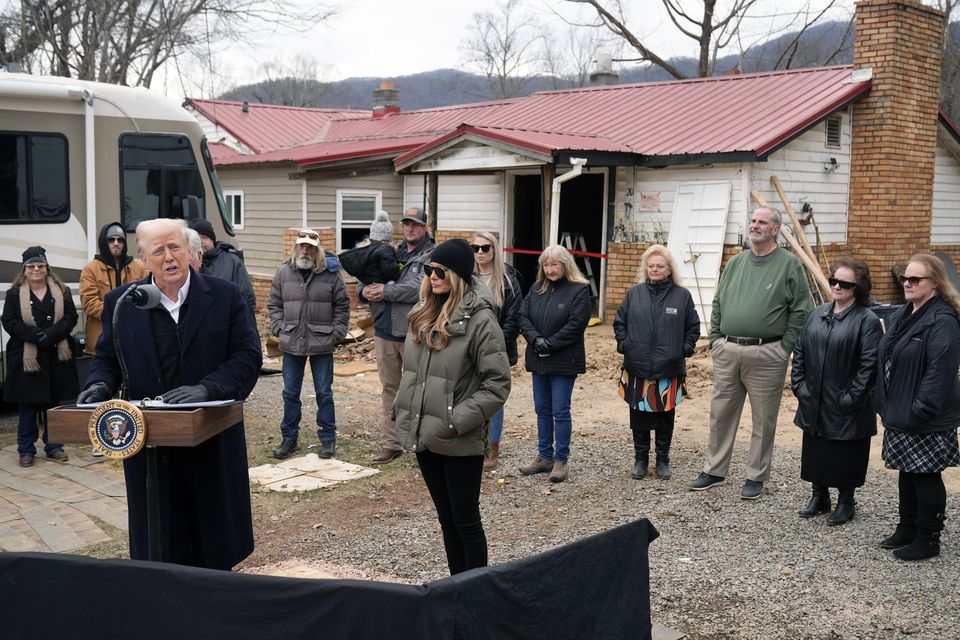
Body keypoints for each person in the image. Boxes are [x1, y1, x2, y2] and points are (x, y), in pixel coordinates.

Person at [77, 218, 262, 570]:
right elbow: (107, 359)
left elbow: (247, 356)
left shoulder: (225, 296)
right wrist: (98, 384)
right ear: (144, 260)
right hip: (151, 449)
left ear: (192, 251)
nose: (169, 257)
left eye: (175, 247)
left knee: (215, 545)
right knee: (160, 545)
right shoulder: (122, 303)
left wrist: (208, 388)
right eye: (158, 251)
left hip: (211, 439)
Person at [393, 238, 511, 575]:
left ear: (457, 274)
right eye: (429, 270)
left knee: (466, 522)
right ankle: (457, 588)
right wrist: (403, 411)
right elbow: (412, 375)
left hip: (458, 437)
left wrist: (455, 420)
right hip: (424, 433)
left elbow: (497, 384)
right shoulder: (421, 314)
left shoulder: (481, 321)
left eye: (439, 270)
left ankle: (476, 593)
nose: (432, 275)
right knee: (447, 521)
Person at [690, 206, 812, 499]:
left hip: (767, 353)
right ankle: (714, 470)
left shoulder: (789, 265)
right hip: (727, 350)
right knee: (721, 413)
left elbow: (801, 309)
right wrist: (716, 339)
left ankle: (755, 476)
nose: (755, 225)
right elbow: (718, 300)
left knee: (763, 418)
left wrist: (784, 348)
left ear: (775, 230)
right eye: (753, 221)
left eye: (762, 222)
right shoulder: (736, 262)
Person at [875, 254, 960, 561]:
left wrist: (920, 409)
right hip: (901, 410)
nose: (907, 284)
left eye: (915, 280)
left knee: (925, 475)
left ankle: (928, 539)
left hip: (925, 415)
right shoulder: (905, 313)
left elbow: (940, 372)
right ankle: (907, 527)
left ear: (934, 283)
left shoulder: (943, 321)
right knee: (907, 472)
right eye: (905, 279)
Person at [791, 257, 883, 525]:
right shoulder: (817, 313)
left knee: (845, 454)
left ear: (859, 288)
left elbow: (869, 366)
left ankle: (846, 501)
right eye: (834, 281)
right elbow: (800, 350)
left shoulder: (867, 320)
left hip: (846, 401)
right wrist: (800, 386)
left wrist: (850, 398)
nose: (838, 287)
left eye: (846, 283)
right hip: (814, 396)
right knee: (816, 449)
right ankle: (819, 496)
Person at [613, 244, 699, 481]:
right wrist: (624, 345)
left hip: (668, 369)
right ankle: (641, 460)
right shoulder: (634, 294)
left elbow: (693, 327)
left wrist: (683, 349)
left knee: (664, 418)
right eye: (651, 266)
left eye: (660, 266)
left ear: (669, 269)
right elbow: (619, 322)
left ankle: (662, 460)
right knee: (638, 417)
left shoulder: (682, 296)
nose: (655, 270)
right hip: (637, 367)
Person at [358, 206, 435, 464]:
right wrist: (364, 292)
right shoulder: (388, 250)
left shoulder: (431, 254)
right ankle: (392, 443)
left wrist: (386, 291)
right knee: (390, 388)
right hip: (384, 331)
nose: (410, 228)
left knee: (419, 388)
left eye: (415, 224)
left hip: (415, 333)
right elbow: (365, 278)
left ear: (425, 226)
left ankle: (421, 442)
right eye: (406, 223)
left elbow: (420, 288)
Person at [268, 229, 350, 460]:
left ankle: (328, 439)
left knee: (324, 392)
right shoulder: (283, 272)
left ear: (316, 250)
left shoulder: (331, 274)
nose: (305, 251)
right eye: (301, 246)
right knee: (290, 393)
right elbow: (274, 304)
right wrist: (278, 328)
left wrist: (337, 333)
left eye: (310, 247)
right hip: (292, 341)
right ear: (296, 248)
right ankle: (289, 439)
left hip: (322, 342)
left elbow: (343, 305)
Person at [518, 245, 591, 483]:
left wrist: (550, 343)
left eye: (554, 264)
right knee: (542, 409)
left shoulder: (579, 290)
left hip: (563, 360)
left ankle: (561, 459)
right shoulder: (536, 288)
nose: (550, 269)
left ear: (565, 264)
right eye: (546, 265)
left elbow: (576, 324)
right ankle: (544, 457)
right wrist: (535, 339)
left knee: (560, 411)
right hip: (538, 358)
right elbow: (523, 316)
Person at [2, 247, 79, 467]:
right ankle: (26, 449)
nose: (36, 269)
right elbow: (9, 321)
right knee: (28, 405)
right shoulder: (14, 294)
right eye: (31, 266)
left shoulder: (61, 290)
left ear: (47, 268)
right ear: (24, 270)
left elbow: (71, 317)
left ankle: (54, 445)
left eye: (40, 265)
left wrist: (52, 335)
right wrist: (36, 336)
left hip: (56, 355)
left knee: (54, 405)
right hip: (28, 358)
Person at [472, 230, 522, 470]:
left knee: (495, 399)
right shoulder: (466, 277)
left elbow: (514, 317)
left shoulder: (508, 279)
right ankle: (474, 445)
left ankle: (493, 447)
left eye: (485, 248)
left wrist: (496, 344)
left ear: (494, 250)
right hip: (469, 348)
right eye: (475, 248)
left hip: (498, 349)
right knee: (471, 396)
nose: (480, 252)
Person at [79, 222, 149, 356]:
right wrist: (118, 313)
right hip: (102, 340)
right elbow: (89, 303)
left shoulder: (139, 267)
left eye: (120, 239)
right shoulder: (90, 269)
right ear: (103, 242)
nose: (116, 243)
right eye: (111, 239)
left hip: (134, 339)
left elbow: (147, 298)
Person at [189, 218, 257, 326]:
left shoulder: (232, 262)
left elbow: (246, 297)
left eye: (204, 237)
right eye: (196, 239)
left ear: (212, 240)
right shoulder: (187, 264)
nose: (200, 242)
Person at [338, 210, 400, 322]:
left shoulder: (364, 253)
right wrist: (399, 270)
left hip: (373, 301)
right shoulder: (385, 249)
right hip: (387, 300)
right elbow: (391, 271)